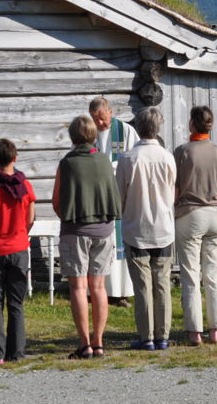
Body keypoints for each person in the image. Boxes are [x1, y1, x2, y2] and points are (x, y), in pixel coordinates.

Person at [52, 114, 121, 359]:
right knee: (99, 287)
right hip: (103, 229)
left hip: (75, 230)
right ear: (92, 135)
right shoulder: (103, 160)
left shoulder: (67, 163)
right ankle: (99, 342)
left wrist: (68, 217)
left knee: (79, 287)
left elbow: (57, 200)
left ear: (72, 136)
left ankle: (85, 345)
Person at [117, 107, 177, 351]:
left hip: (136, 227)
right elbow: (172, 190)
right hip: (163, 226)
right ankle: (162, 335)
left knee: (142, 286)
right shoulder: (167, 157)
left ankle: (147, 336)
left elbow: (119, 195)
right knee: (161, 284)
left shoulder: (128, 158)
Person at [0, 138, 36, 364]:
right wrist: (20, 233)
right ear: (15, 158)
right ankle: (17, 352)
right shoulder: (25, 186)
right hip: (19, 248)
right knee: (16, 303)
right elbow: (30, 218)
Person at [174, 105, 217, 345]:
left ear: (192, 124)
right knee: (213, 275)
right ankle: (216, 330)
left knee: (190, 275)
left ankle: (195, 331)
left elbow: (175, 188)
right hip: (216, 214)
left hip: (191, 213)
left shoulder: (182, 151)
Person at [89, 97, 138, 308]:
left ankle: (121, 292)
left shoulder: (125, 131)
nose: (99, 123)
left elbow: (135, 158)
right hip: (98, 196)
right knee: (101, 243)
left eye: (101, 118)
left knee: (119, 240)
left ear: (110, 112)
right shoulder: (89, 134)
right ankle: (101, 290)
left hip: (120, 193)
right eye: (95, 119)